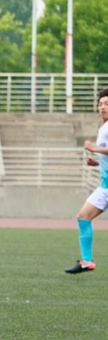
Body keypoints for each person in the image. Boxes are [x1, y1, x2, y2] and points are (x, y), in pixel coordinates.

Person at [65, 88, 108, 274]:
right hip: (105, 186)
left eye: (107, 104)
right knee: (83, 217)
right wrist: (96, 162)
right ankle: (87, 261)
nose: (103, 107)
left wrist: (94, 149)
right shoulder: (103, 128)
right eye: (100, 104)